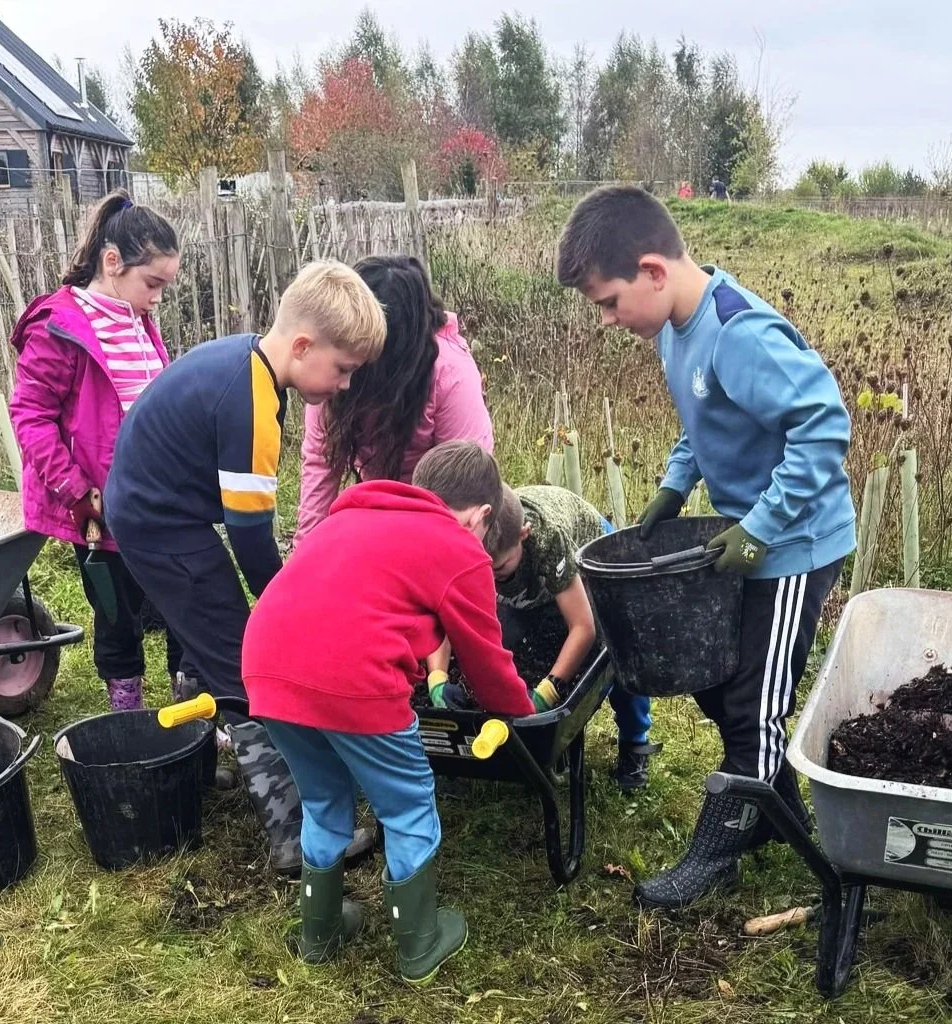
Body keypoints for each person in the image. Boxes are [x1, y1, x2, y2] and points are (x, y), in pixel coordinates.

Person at [556, 185, 855, 910]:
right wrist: (673, 485)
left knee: (756, 705)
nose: (607, 319)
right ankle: (774, 814)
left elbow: (824, 426)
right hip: (743, 536)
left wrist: (761, 527)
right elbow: (705, 422)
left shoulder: (738, 333)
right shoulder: (674, 330)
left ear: (653, 271)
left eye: (609, 302)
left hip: (796, 543)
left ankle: (719, 850)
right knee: (714, 679)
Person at [104, 259, 388, 875]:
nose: (344, 385)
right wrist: (287, 609)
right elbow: (252, 536)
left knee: (204, 633)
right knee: (244, 663)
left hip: (152, 512)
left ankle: (196, 767)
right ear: (304, 346)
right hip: (161, 525)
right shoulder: (252, 401)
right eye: (342, 369)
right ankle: (293, 833)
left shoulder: (247, 362)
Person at [241, 440, 548, 981]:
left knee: (321, 798)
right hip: (355, 680)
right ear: (481, 515)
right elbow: (486, 662)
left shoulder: (349, 518)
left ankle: (320, 933)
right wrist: (526, 716)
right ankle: (419, 944)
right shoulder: (459, 547)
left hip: (267, 667)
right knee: (406, 807)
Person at [8, 190, 181, 712]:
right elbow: (30, 417)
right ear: (112, 263)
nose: (158, 298)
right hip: (98, 513)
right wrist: (75, 491)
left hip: (156, 503)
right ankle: (127, 713)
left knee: (183, 604)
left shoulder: (137, 320)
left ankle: (191, 707)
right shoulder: (61, 328)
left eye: (164, 286)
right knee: (116, 614)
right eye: (152, 283)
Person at [424, 482, 661, 791]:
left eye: (500, 567)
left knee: (619, 649)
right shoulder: (467, 544)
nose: (492, 576)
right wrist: (437, 679)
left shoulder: (547, 539)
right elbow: (448, 614)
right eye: (486, 570)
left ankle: (635, 743)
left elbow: (583, 628)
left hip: (591, 556)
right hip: (536, 581)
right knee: (519, 642)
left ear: (523, 535)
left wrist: (548, 692)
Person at [295, 255, 493, 546]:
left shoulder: (450, 373)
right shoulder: (336, 368)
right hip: (378, 504)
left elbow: (468, 486)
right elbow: (320, 462)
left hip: (439, 513)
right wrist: (305, 554)